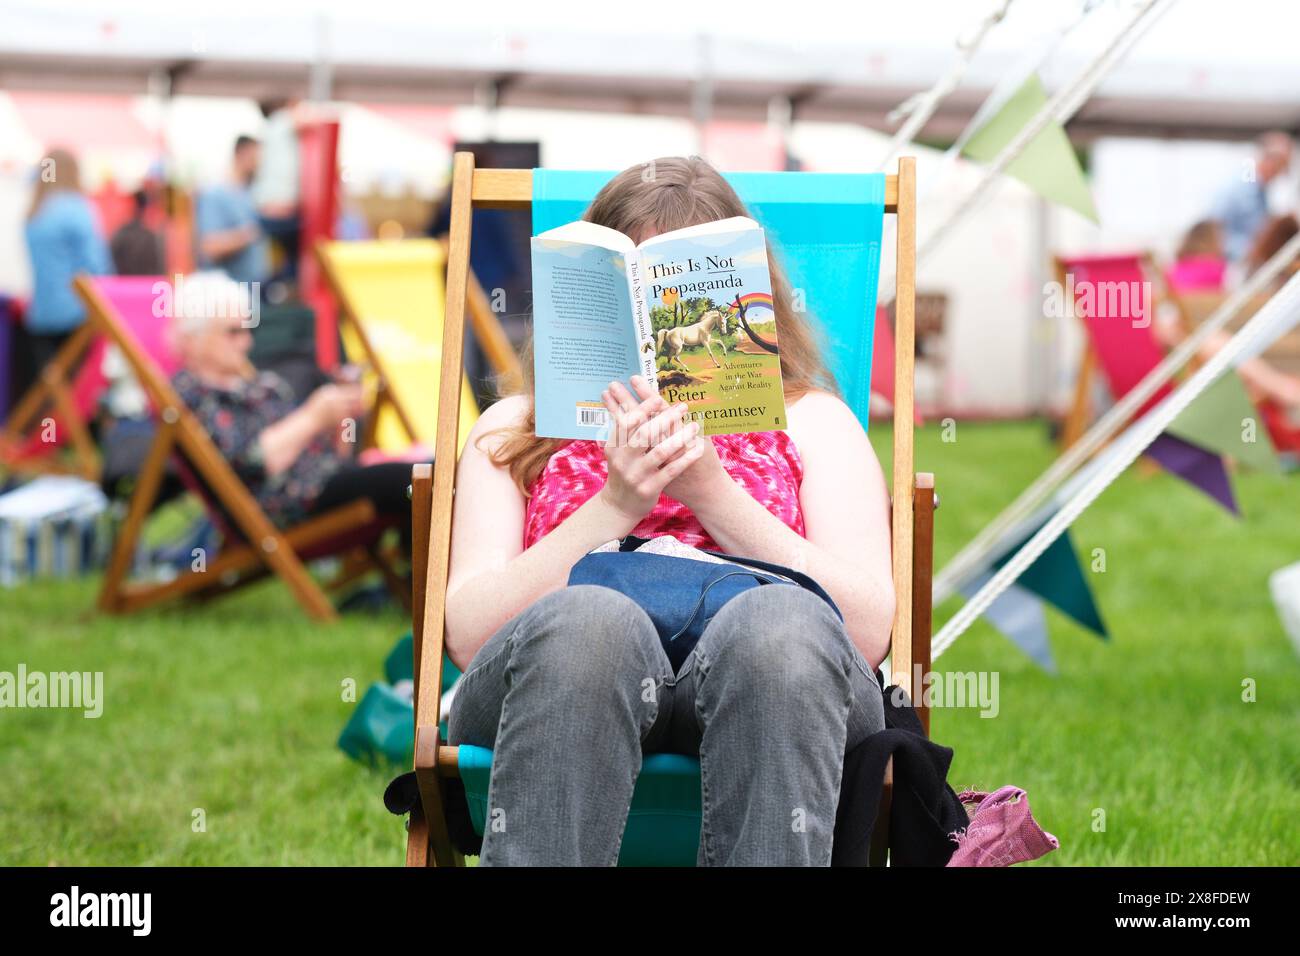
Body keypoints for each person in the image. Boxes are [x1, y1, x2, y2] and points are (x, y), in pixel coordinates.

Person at [444, 156, 896, 866]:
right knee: (590, 623)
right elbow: (469, 635)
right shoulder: (517, 427)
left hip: (774, 677)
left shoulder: (814, 423)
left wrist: (713, 495)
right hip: (566, 675)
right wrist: (615, 506)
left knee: (779, 628)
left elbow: (866, 632)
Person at [169, 272, 415, 537]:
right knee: (414, 483)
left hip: (323, 482)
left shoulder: (258, 382)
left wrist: (339, 418)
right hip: (284, 505)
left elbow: (330, 453)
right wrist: (313, 417)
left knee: (425, 474)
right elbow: (250, 463)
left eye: (248, 330)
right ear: (191, 340)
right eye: (233, 332)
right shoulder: (191, 396)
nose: (246, 342)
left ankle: (418, 576)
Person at [22, 147, 113, 370]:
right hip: (76, 314)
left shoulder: (35, 212)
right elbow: (96, 265)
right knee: (77, 389)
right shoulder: (76, 208)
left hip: (40, 313)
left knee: (51, 386)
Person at [196, 136, 270, 286]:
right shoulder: (215, 195)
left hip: (254, 292)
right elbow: (210, 247)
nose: (260, 163)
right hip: (227, 298)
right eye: (256, 157)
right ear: (241, 154)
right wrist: (248, 235)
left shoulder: (251, 194)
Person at [1211, 131, 1293, 263]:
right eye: (1282, 165)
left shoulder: (1262, 194)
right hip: (1229, 265)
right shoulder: (1237, 188)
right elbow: (1213, 232)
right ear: (1269, 159)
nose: (1282, 172)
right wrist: (1250, 251)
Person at [109, 189, 165, 276]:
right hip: (147, 287)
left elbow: (111, 268)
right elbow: (159, 270)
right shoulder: (151, 237)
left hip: (122, 287)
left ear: (132, 205)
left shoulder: (121, 235)